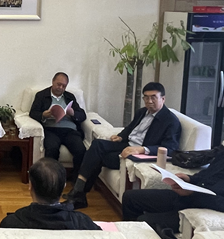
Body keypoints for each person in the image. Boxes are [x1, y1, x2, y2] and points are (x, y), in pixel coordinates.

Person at [122, 118, 224, 232]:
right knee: (131, 197)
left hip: (204, 209)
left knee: (144, 222)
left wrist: (195, 194)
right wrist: (189, 179)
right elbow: (207, 174)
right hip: (188, 196)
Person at [64, 82, 181, 210]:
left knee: (96, 157)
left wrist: (142, 149)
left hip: (137, 154)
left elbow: (170, 148)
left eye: (153, 97)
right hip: (126, 144)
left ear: (163, 98)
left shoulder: (171, 121)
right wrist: (120, 136)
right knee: (97, 145)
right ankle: (79, 194)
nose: (149, 101)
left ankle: (78, 193)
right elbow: (130, 128)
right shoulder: (142, 112)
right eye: (146, 97)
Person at [29, 72, 87, 176]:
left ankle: (76, 179)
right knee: (51, 149)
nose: (60, 88)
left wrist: (73, 113)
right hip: (51, 129)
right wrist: (43, 115)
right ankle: (52, 178)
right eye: (58, 84)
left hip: (70, 130)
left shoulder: (70, 97)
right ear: (53, 82)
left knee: (80, 150)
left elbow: (82, 115)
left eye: (64, 86)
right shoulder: (41, 95)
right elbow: (33, 113)